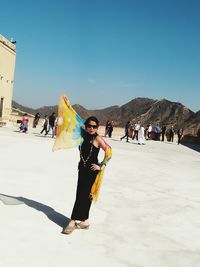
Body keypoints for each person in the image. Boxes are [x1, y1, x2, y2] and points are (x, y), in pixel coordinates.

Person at [62, 116, 112, 234]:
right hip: (82, 169)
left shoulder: (97, 139)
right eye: (89, 126)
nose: (91, 128)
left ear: (97, 128)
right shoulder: (82, 135)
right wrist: (67, 106)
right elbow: (72, 121)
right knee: (81, 194)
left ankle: (72, 220)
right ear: (86, 126)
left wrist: (101, 165)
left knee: (83, 195)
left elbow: (109, 152)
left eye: (94, 126)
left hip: (91, 171)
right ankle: (85, 221)